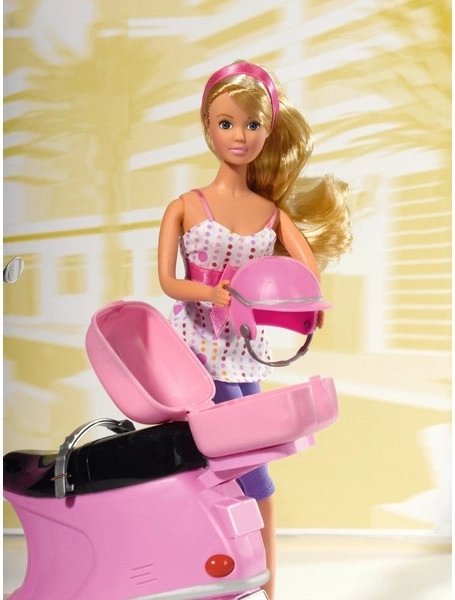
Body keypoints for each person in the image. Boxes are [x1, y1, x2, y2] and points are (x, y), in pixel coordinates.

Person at [158, 60, 352, 599]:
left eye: (251, 125)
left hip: (246, 355)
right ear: (207, 124)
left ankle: (259, 585)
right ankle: (237, 579)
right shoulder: (185, 207)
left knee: (250, 468)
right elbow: (168, 282)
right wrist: (210, 293)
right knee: (245, 473)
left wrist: (302, 303)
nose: (238, 136)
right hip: (197, 355)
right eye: (226, 123)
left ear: (268, 131)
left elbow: (306, 272)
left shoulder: (271, 214)